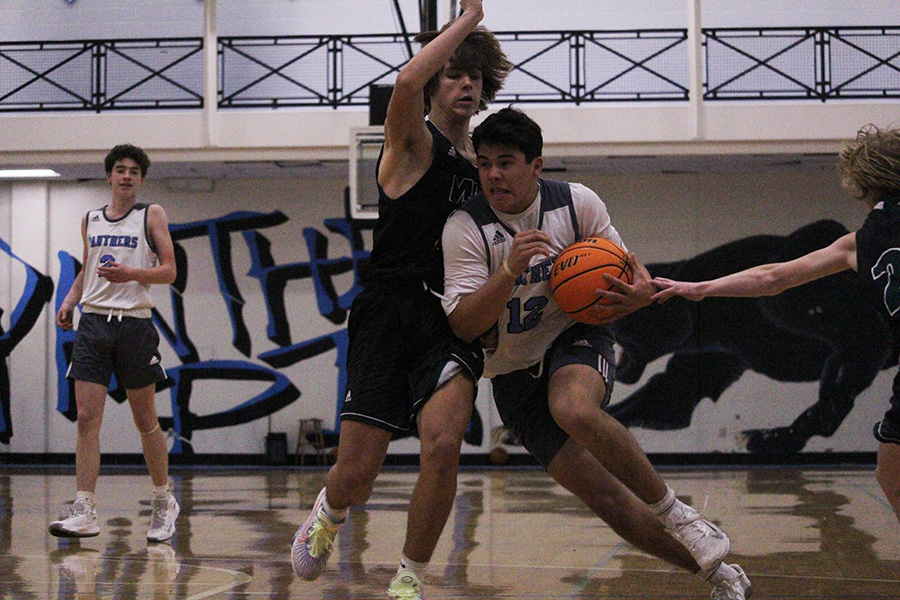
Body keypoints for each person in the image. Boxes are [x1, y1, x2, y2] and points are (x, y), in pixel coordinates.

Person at [440, 107, 752, 600]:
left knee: (573, 409)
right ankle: (713, 573)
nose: (493, 174)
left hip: (575, 334)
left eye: (506, 161)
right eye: (484, 163)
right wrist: (507, 273)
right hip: (511, 373)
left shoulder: (576, 202)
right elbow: (463, 324)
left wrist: (639, 291)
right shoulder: (465, 227)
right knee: (606, 499)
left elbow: (632, 271)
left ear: (536, 166)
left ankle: (681, 515)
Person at [290, 2, 512, 598]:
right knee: (358, 473)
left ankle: (410, 575)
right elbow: (407, 80)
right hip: (388, 309)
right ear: (437, 83)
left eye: (475, 77)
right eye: (454, 74)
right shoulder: (411, 143)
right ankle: (330, 513)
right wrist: (467, 19)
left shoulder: (482, 168)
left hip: (448, 316)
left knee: (443, 445)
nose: (466, 84)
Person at [652, 123, 900, 526]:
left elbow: (773, 277)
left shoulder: (860, 241)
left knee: (890, 473)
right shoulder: (856, 242)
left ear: (863, 184)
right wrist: (703, 287)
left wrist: (702, 287)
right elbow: (773, 277)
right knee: (890, 469)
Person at [49, 143, 179, 543]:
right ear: (108, 176)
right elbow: (88, 268)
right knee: (87, 418)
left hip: (134, 326)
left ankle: (163, 501)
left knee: (145, 421)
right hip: (93, 326)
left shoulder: (150, 214)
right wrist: (71, 300)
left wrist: (131, 274)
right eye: (119, 169)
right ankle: (85, 507)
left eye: (133, 171)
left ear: (141, 179)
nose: (126, 176)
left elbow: (169, 271)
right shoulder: (90, 219)